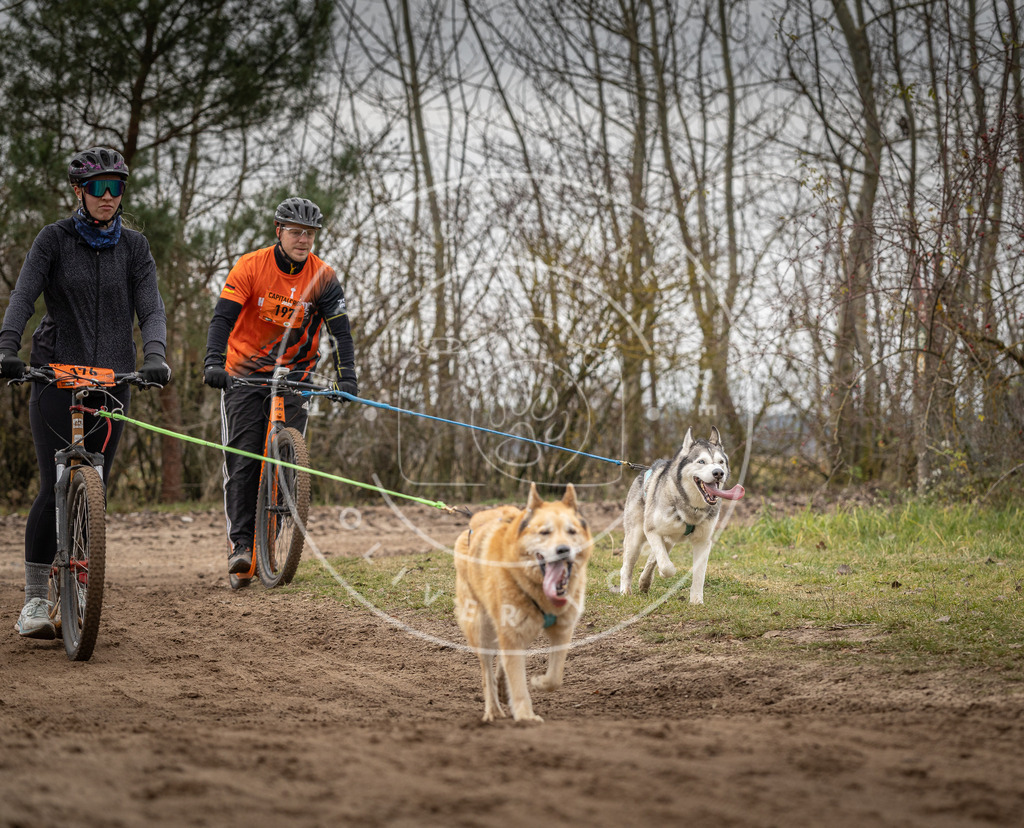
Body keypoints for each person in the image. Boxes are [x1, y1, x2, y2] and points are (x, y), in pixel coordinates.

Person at [0, 146, 172, 640]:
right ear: (79, 191)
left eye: (116, 187)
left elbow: (151, 307)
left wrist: (155, 357)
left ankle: (78, 585)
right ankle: (35, 599)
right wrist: (8, 348)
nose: (107, 196)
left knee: (93, 483)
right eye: (97, 187)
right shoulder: (53, 239)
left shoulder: (136, 248)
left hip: (114, 380)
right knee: (53, 481)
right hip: (55, 374)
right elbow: (23, 296)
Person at [203, 197, 357, 587]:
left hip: (295, 374)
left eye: (309, 234)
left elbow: (340, 331)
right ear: (279, 231)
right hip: (244, 373)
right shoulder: (251, 266)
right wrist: (213, 363)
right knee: (243, 460)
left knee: (286, 462)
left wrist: (348, 378)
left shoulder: (323, 276)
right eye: (295, 232)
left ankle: (268, 542)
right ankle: (241, 545)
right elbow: (223, 317)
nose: (303, 240)